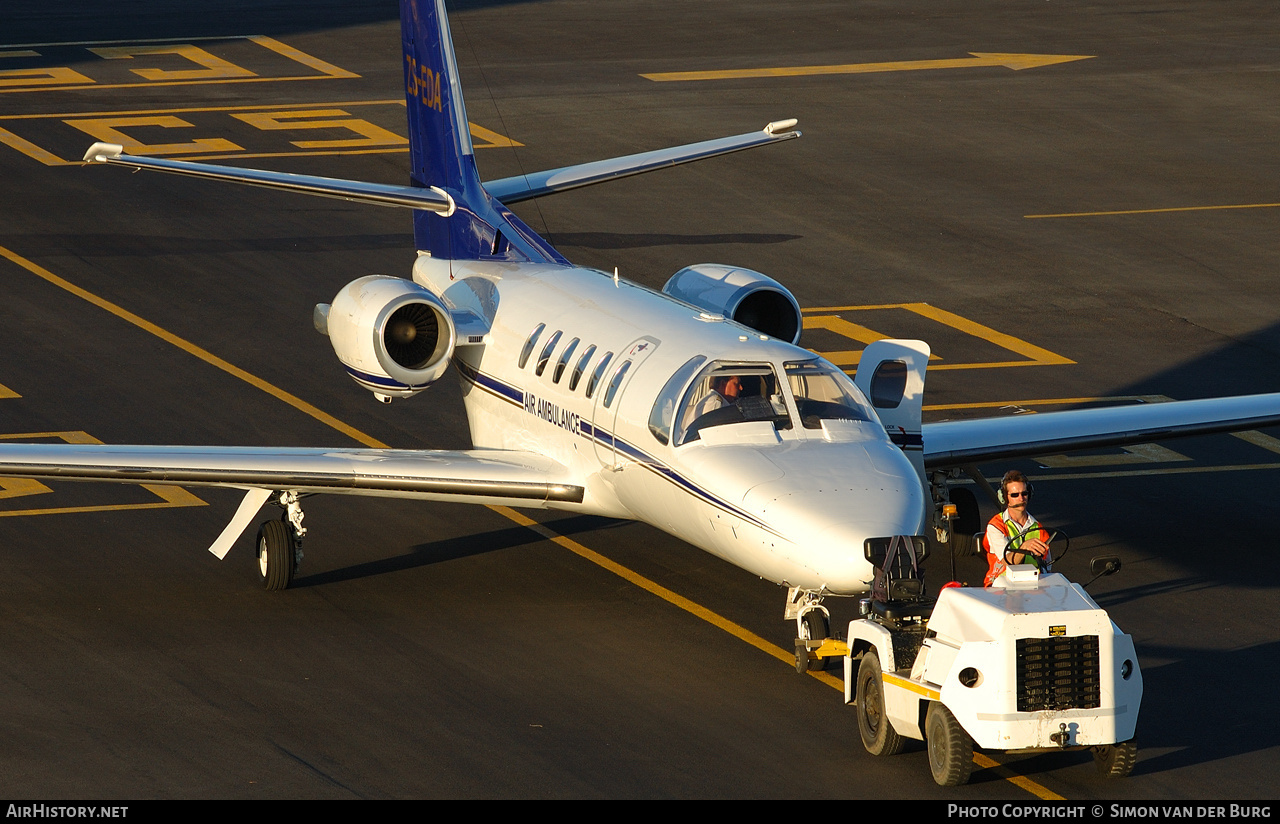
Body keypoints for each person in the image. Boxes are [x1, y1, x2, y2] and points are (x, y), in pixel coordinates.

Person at [983, 470, 1051, 586]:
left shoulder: (1039, 529)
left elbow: (1047, 567)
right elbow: (1007, 562)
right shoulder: (996, 526)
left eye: (1024, 494)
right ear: (1004, 497)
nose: (1021, 499)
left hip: (1032, 584)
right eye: (1015, 495)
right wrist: (1025, 547)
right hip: (1000, 585)